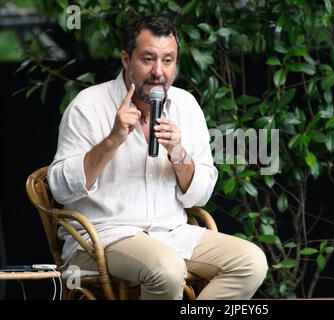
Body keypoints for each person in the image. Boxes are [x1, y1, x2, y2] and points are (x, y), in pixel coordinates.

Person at [48, 16, 268, 300]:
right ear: (126, 60)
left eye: (168, 60)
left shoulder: (186, 106)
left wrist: (178, 152)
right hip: (104, 236)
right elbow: (60, 187)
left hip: (172, 233)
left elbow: (199, 196)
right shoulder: (88, 105)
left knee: (251, 263)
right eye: (148, 59)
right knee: (166, 268)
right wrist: (113, 139)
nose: (158, 72)